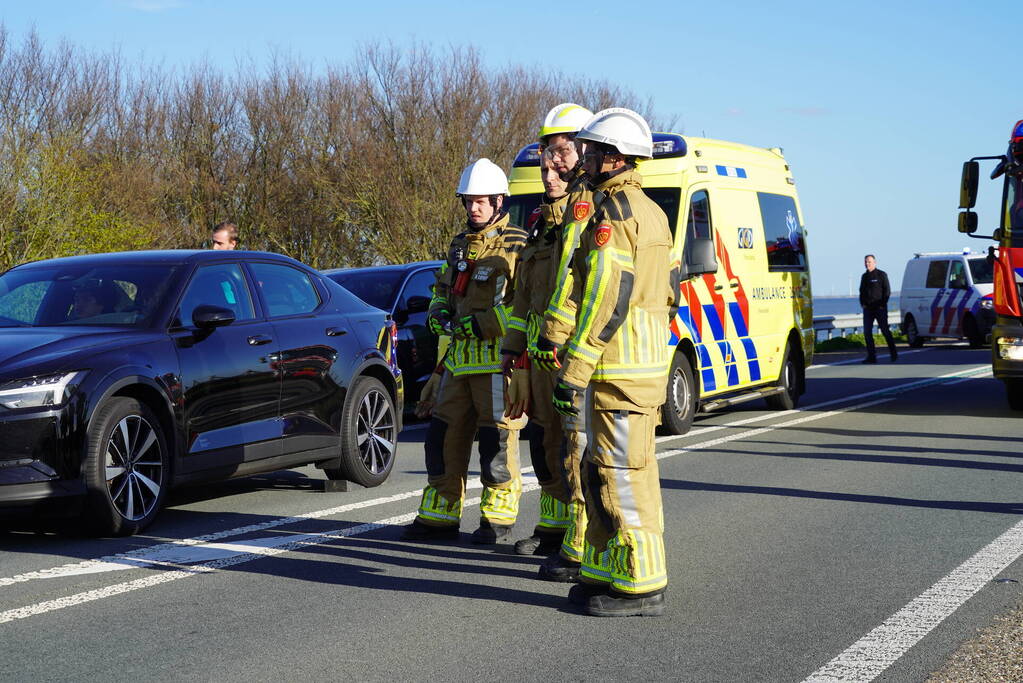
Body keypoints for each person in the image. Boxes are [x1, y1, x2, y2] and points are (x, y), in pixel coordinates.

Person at [551, 107, 677, 617]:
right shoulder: (647, 210)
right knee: (601, 467)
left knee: (623, 475)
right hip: (630, 370)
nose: (584, 159)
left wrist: (573, 368)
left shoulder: (614, 217)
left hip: (620, 372)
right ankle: (605, 571)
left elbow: (607, 298)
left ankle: (642, 586)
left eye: (593, 151)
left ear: (615, 158)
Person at [402, 159, 528, 544]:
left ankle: (496, 521)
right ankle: (439, 516)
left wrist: (483, 323)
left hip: (496, 365)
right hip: (457, 364)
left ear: (499, 201)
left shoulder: (518, 245)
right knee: (441, 437)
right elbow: (443, 289)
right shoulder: (459, 245)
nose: (473, 209)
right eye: (468, 202)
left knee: (496, 445)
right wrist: (437, 312)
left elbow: (523, 305)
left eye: (480, 202)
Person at [501, 147, 578, 564]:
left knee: (573, 448)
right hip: (538, 359)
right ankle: (554, 528)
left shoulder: (580, 222)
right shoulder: (538, 227)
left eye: (556, 169)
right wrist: (513, 352)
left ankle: (581, 538)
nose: (548, 177)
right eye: (544, 169)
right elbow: (523, 300)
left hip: (569, 356)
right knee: (544, 445)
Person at [859, 254, 897, 363]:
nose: (867, 264)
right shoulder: (864, 276)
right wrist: (862, 304)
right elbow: (861, 291)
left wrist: (882, 304)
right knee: (867, 333)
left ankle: (893, 353)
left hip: (880, 308)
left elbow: (887, 291)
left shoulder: (881, 275)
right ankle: (871, 356)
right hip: (868, 309)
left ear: (875, 263)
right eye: (866, 262)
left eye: (869, 262)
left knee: (885, 331)